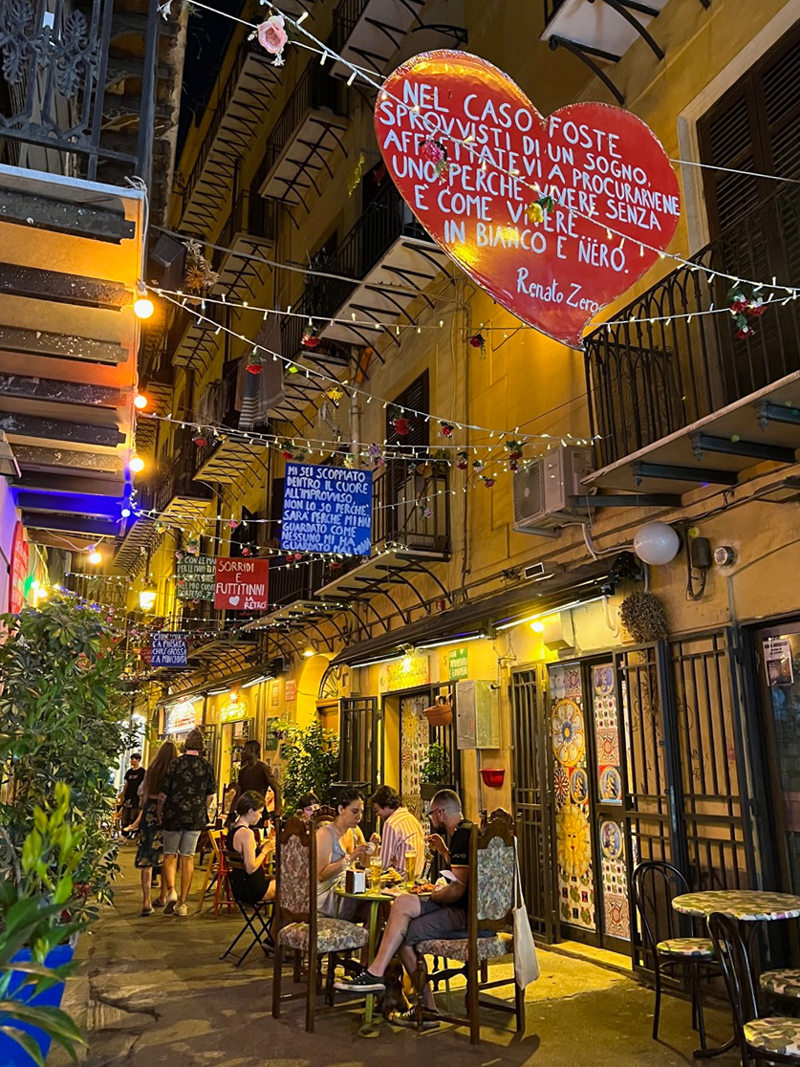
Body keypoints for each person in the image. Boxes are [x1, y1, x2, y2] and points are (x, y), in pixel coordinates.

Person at [334, 788, 472, 1022]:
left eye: (431, 815)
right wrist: (444, 852)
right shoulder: (471, 831)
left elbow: (458, 888)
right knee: (403, 903)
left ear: (440, 813)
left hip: (460, 913)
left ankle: (426, 1006)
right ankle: (376, 972)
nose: (431, 821)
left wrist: (436, 894)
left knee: (404, 933)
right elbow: (468, 874)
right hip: (466, 908)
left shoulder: (461, 835)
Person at [157, 727, 216, 917]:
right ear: (202, 746)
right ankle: (183, 903)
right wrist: (202, 809)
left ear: (186, 744)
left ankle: (171, 890)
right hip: (195, 817)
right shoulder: (207, 766)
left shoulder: (175, 764)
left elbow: (164, 793)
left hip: (173, 815)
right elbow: (211, 796)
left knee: (169, 855)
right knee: (188, 857)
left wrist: (160, 810)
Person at [132, 741, 177, 916]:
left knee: (147, 857)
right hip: (167, 812)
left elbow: (141, 792)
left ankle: (146, 901)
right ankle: (163, 896)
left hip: (149, 811)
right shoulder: (174, 770)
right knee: (167, 856)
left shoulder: (152, 769)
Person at [316, 788, 371, 919]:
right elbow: (322, 875)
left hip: (348, 890)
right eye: (355, 811)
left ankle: (368, 938)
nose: (359, 817)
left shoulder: (354, 831)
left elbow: (365, 863)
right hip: (327, 895)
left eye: (362, 812)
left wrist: (371, 848)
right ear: (341, 809)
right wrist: (351, 857)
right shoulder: (325, 834)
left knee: (377, 908)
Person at [227, 791, 275, 904]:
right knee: (290, 886)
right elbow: (250, 868)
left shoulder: (232, 829)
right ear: (250, 811)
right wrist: (265, 851)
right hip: (253, 889)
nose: (261, 816)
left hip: (239, 886)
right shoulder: (246, 833)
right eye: (259, 812)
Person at [370, 785, 425, 877]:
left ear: (386, 805)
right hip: (416, 878)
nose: (377, 814)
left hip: (399, 880)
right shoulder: (412, 819)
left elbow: (383, 863)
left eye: (377, 810)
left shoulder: (391, 823)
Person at [236, 740, 280, 815]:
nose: (242, 752)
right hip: (244, 811)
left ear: (252, 750)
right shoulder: (242, 771)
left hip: (258, 810)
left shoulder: (263, 768)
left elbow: (277, 789)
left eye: (244, 749)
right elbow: (239, 793)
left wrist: (277, 813)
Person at [119, 753, 145, 835]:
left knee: (133, 815)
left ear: (138, 760)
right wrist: (123, 794)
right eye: (131, 759)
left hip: (136, 797)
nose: (131, 761)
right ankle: (124, 833)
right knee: (125, 816)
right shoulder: (129, 772)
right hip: (128, 796)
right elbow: (126, 784)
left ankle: (133, 833)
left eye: (133, 759)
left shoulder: (142, 772)